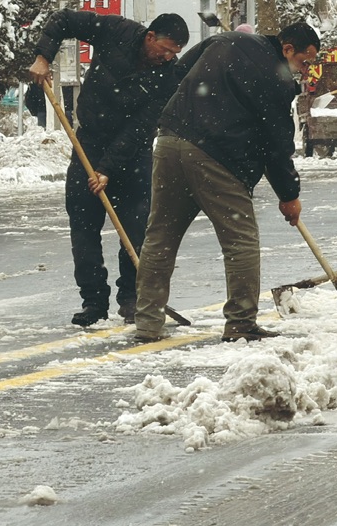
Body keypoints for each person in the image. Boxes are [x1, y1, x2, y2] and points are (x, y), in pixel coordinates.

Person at [133, 21, 320, 343]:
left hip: (170, 141)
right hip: (216, 155)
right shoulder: (277, 80)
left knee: (161, 236)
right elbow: (276, 146)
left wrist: (188, 111)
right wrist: (289, 195)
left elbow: (178, 73)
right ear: (288, 49)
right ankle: (241, 322)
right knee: (240, 240)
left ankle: (148, 323)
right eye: (304, 62)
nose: (305, 70)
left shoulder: (226, 40)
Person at [27, 7, 191, 328]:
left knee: (136, 227)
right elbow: (64, 20)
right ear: (150, 37)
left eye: (175, 53)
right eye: (166, 49)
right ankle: (93, 301)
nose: (168, 57)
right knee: (83, 226)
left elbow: (142, 126)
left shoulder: (169, 76)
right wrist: (44, 56)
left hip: (132, 155)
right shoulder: (116, 31)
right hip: (88, 143)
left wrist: (107, 169)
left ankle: (131, 298)